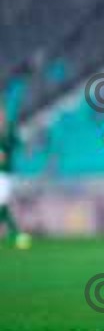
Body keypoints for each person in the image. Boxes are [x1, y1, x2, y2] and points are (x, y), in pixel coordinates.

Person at [0, 99, 31, 250]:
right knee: (2, 205)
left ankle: (16, 232)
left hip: (4, 175)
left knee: (2, 204)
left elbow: (20, 145)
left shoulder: (9, 131)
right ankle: (16, 232)